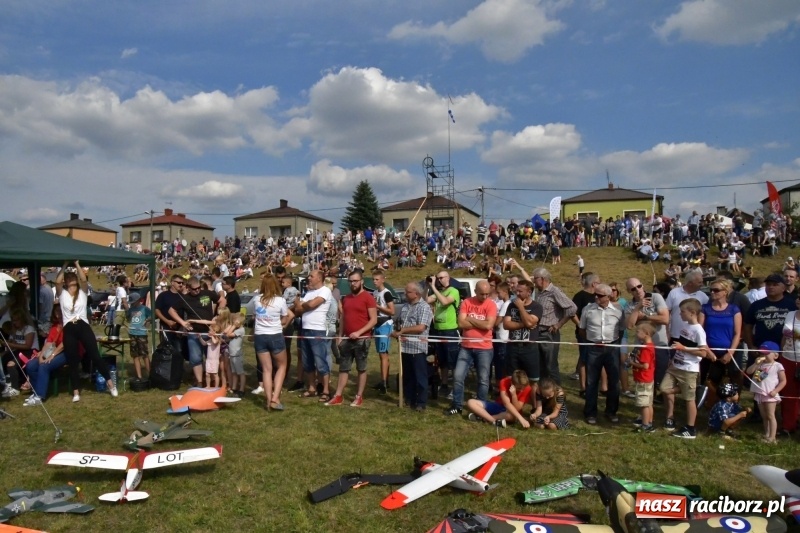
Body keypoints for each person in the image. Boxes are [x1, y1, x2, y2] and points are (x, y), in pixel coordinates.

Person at [55, 260, 118, 402]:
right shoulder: (62, 293)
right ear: (65, 282)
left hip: (83, 325)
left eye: (72, 278)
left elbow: (83, 278)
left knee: (95, 356)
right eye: (68, 278)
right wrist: (64, 266)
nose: (70, 280)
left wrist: (77, 265)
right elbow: (57, 282)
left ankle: (110, 384)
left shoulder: (83, 292)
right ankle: (76, 392)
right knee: (72, 360)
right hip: (69, 328)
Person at [744, 272, 796, 430]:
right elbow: (747, 326)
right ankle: (759, 412)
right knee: (759, 379)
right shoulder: (757, 305)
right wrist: (751, 345)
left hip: (785, 352)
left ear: (783, 287)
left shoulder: (791, 304)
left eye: (774, 284)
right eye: (768, 284)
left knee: (783, 382)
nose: (770, 287)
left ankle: (785, 415)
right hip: (761, 350)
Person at [444, 280, 497, 416]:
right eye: (482, 294)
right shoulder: (467, 302)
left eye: (487, 294)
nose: (485, 297)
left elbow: (488, 326)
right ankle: (457, 404)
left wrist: (470, 319)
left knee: (483, 379)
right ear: (475, 292)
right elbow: (461, 323)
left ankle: (480, 406)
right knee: (458, 376)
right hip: (466, 347)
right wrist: (480, 322)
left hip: (484, 348)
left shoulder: (491, 305)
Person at [662, 298, 712, 439]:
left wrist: (684, 348)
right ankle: (689, 389)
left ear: (692, 312)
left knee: (689, 399)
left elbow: (703, 352)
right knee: (664, 388)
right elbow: (680, 347)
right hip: (676, 365)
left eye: (682, 312)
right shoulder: (685, 327)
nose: (680, 315)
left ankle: (690, 428)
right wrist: (674, 358)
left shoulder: (699, 331)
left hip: (689, 369)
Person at [327, 271, 377, 407]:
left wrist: (359, 332)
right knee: (344, 368)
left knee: (361, 368)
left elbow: (373, 320)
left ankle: (359, 396)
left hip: (362, 339)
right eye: (350, 281)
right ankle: (338, 395)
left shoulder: (368, 298)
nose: (352, 283)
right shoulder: (346, 298)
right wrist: (340, 335)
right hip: (346, 339)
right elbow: (343, 317)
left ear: (361, 281)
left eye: (355, 281)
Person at [579, 283, 624, 425]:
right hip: (593, 348)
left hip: (612, 348)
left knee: (614, 382)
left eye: (600, 295)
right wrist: (593, 340)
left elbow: (621, 329)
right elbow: (582, 329)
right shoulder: (588, 309)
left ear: (609, 296)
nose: (596, 297)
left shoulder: (618, 310)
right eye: (595, 294)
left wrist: (613, 342)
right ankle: (590, 413)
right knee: (592, 381)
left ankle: (611, 411)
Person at [249, 275, 293, 410]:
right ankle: (275, 398)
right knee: (281, 366)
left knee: (266, 370)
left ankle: (268, 400)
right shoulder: (280, 300)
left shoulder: (256, 299)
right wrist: (280, 324)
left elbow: (253, 315)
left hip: (260, 336)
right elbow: (285, 318)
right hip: (275, 335)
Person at [169, 277, 221, 388]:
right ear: (188, 288)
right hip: (194, 333)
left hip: (209, 332)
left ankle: (212, 381)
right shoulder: (184, 298)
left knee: (211, 358)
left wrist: (218, 314)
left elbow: (222, 300)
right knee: (195, 358)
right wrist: (182, 322)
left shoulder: (207, 293)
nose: (197, 291)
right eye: (194, 289)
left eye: (198, 288)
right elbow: (171, 311)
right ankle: (199, 382)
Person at [391, 281, 434, 412]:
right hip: (404, 348)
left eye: (407, 292)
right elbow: (399, 322)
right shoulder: (405, 307)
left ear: (416, 293)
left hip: (417, 348)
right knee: (407, 376)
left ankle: (421, 402)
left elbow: (421, 327)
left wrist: (403, 330)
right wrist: (396, 330)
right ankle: (409, 398)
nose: (405, 294)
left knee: (420, 377)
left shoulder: (424, 307)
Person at [699, 279, 742, 405]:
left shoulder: (734, 309)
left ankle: (734, 405)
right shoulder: (705, 309)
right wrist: (707, 350)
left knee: (735, 376)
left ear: (725, 292)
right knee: (711, 379)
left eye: (716, 290)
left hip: (730, 350)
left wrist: (730, 352)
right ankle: (711, 404)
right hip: (710, 351)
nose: (712, 292)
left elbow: (737, 333)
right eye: (711, 290)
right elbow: (699, 332)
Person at [532, 268, 577, 384]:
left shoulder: (554, 291)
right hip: (537, 332)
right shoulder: (539, 292)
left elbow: (572, 307)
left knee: (550, 366)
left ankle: (558, 397)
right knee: (540, 366)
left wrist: (559, 324)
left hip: (549, 334)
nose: (533, 281)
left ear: (542, 279)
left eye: (535, 279)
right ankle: (544, 394)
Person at [294, 270, 333, 402]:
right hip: (305, 330)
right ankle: (312, 388)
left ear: (319, 278)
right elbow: (298, 310)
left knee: (320, 361)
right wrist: (303, 305)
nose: (308, 278)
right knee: (307, 361)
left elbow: (310, 305)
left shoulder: (325, 291)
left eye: (311, 276)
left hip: (317, 330)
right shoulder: (309, 293)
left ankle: (326, 390)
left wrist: (303, 304)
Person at [22, 304, 70, 406]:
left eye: (60, 311)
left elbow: (64, 344)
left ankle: (40, 396)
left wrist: (51, 355)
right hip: (54, 351)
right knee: (31, 366)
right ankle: (36, 392)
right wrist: (41, 356)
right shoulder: (54, 327)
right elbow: (48, 343)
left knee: (44, 366)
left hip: (67, 353)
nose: (58, 313)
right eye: (56, 311)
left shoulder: (69, 325)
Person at [503, 279, 542, 394]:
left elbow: (531, 323)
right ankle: (513, 403)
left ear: (529, 292)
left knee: (533, 380)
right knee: (512, 378)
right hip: (513, 346)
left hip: (529, 347)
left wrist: (521, 307)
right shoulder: (511, 305)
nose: (517, 294)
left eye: (520, 291)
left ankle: (534, 405)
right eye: (516, 291)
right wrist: (524, 324)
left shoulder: (536, 307)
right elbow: (506, 325)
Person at [427, 271, 460, 397]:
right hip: (438, 329)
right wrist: (427, 287)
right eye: (438, 278)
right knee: (442, 361)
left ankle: (456, 387)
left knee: (453, 361)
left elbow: (446, 302)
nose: (439, 280)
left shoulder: (453, 291)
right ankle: (445, 385)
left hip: (450, 330)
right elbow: (425, 300)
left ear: (448, 278)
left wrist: (434, 287)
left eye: (441, 278)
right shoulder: (438, 292)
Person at [747, 342, 786, 444]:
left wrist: (775, 391)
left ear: (776, 355)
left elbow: (783, 381)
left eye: (767, 353)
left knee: (770, 415)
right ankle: (767, 434)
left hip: (770, 395)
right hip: (760, 393)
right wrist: (756, 364)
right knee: (764, 416)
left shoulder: (777, 365)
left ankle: (773, 437)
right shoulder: (760, 365)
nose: (764, 356)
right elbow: (749, 371)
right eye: (762, 353)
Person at [466, 369, 532, 428]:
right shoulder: (504, 381)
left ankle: (485, 418)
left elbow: (517, 408)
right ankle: (494, 421)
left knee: (511, 416)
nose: (522, 390)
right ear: (512, 384)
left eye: (523, 388)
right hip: (499, 406)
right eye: (519, 388)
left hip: (512, 413)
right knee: (471, 402)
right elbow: (506, 403)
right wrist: (521, 418)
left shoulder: (527, 388)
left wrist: (514, 395)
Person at [629, 323, 656, 433]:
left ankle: (645, 425)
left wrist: (632, 363)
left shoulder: (646, 349)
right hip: (649, 378)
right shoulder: (649, 346)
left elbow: (645, 366)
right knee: (649, 403)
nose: (636, 333)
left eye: (638, 332)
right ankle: (649, 422)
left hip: (643, 379)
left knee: (644, 403)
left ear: (646, 334)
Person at [371, 271, 395, 394]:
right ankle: (384, 380)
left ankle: (384, 383)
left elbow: (392, 311)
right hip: (377, 324)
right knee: (381, 354)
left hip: (386, 325)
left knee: (383, 354)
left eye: (376, 279)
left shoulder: (386, 293)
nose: (374, 282)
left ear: (382, 280)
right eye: (373, 279)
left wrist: (378, 307)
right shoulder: (375, 293)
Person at [127, 293, 151, 381]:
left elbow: (152, 316)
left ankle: (150, 374)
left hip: (142, 334)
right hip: (132, 333)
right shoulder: (130, 309)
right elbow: (128, 318)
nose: (132, 303)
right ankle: (139, 376)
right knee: (135, 355)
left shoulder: (144, 308)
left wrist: (147, 320)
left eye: (133, 302)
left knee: (144, 354)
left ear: (138, 300)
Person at [227, 314, 247, 398]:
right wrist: (233, 326)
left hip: (237, 355)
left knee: (240, 373)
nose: (233, 322)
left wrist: (233, 326)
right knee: (234, 372)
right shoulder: (236, 329)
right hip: (232, 354)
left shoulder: (240, 330)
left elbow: (228, 334)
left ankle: (242, 389)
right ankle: (234, 388)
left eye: (235, 321)